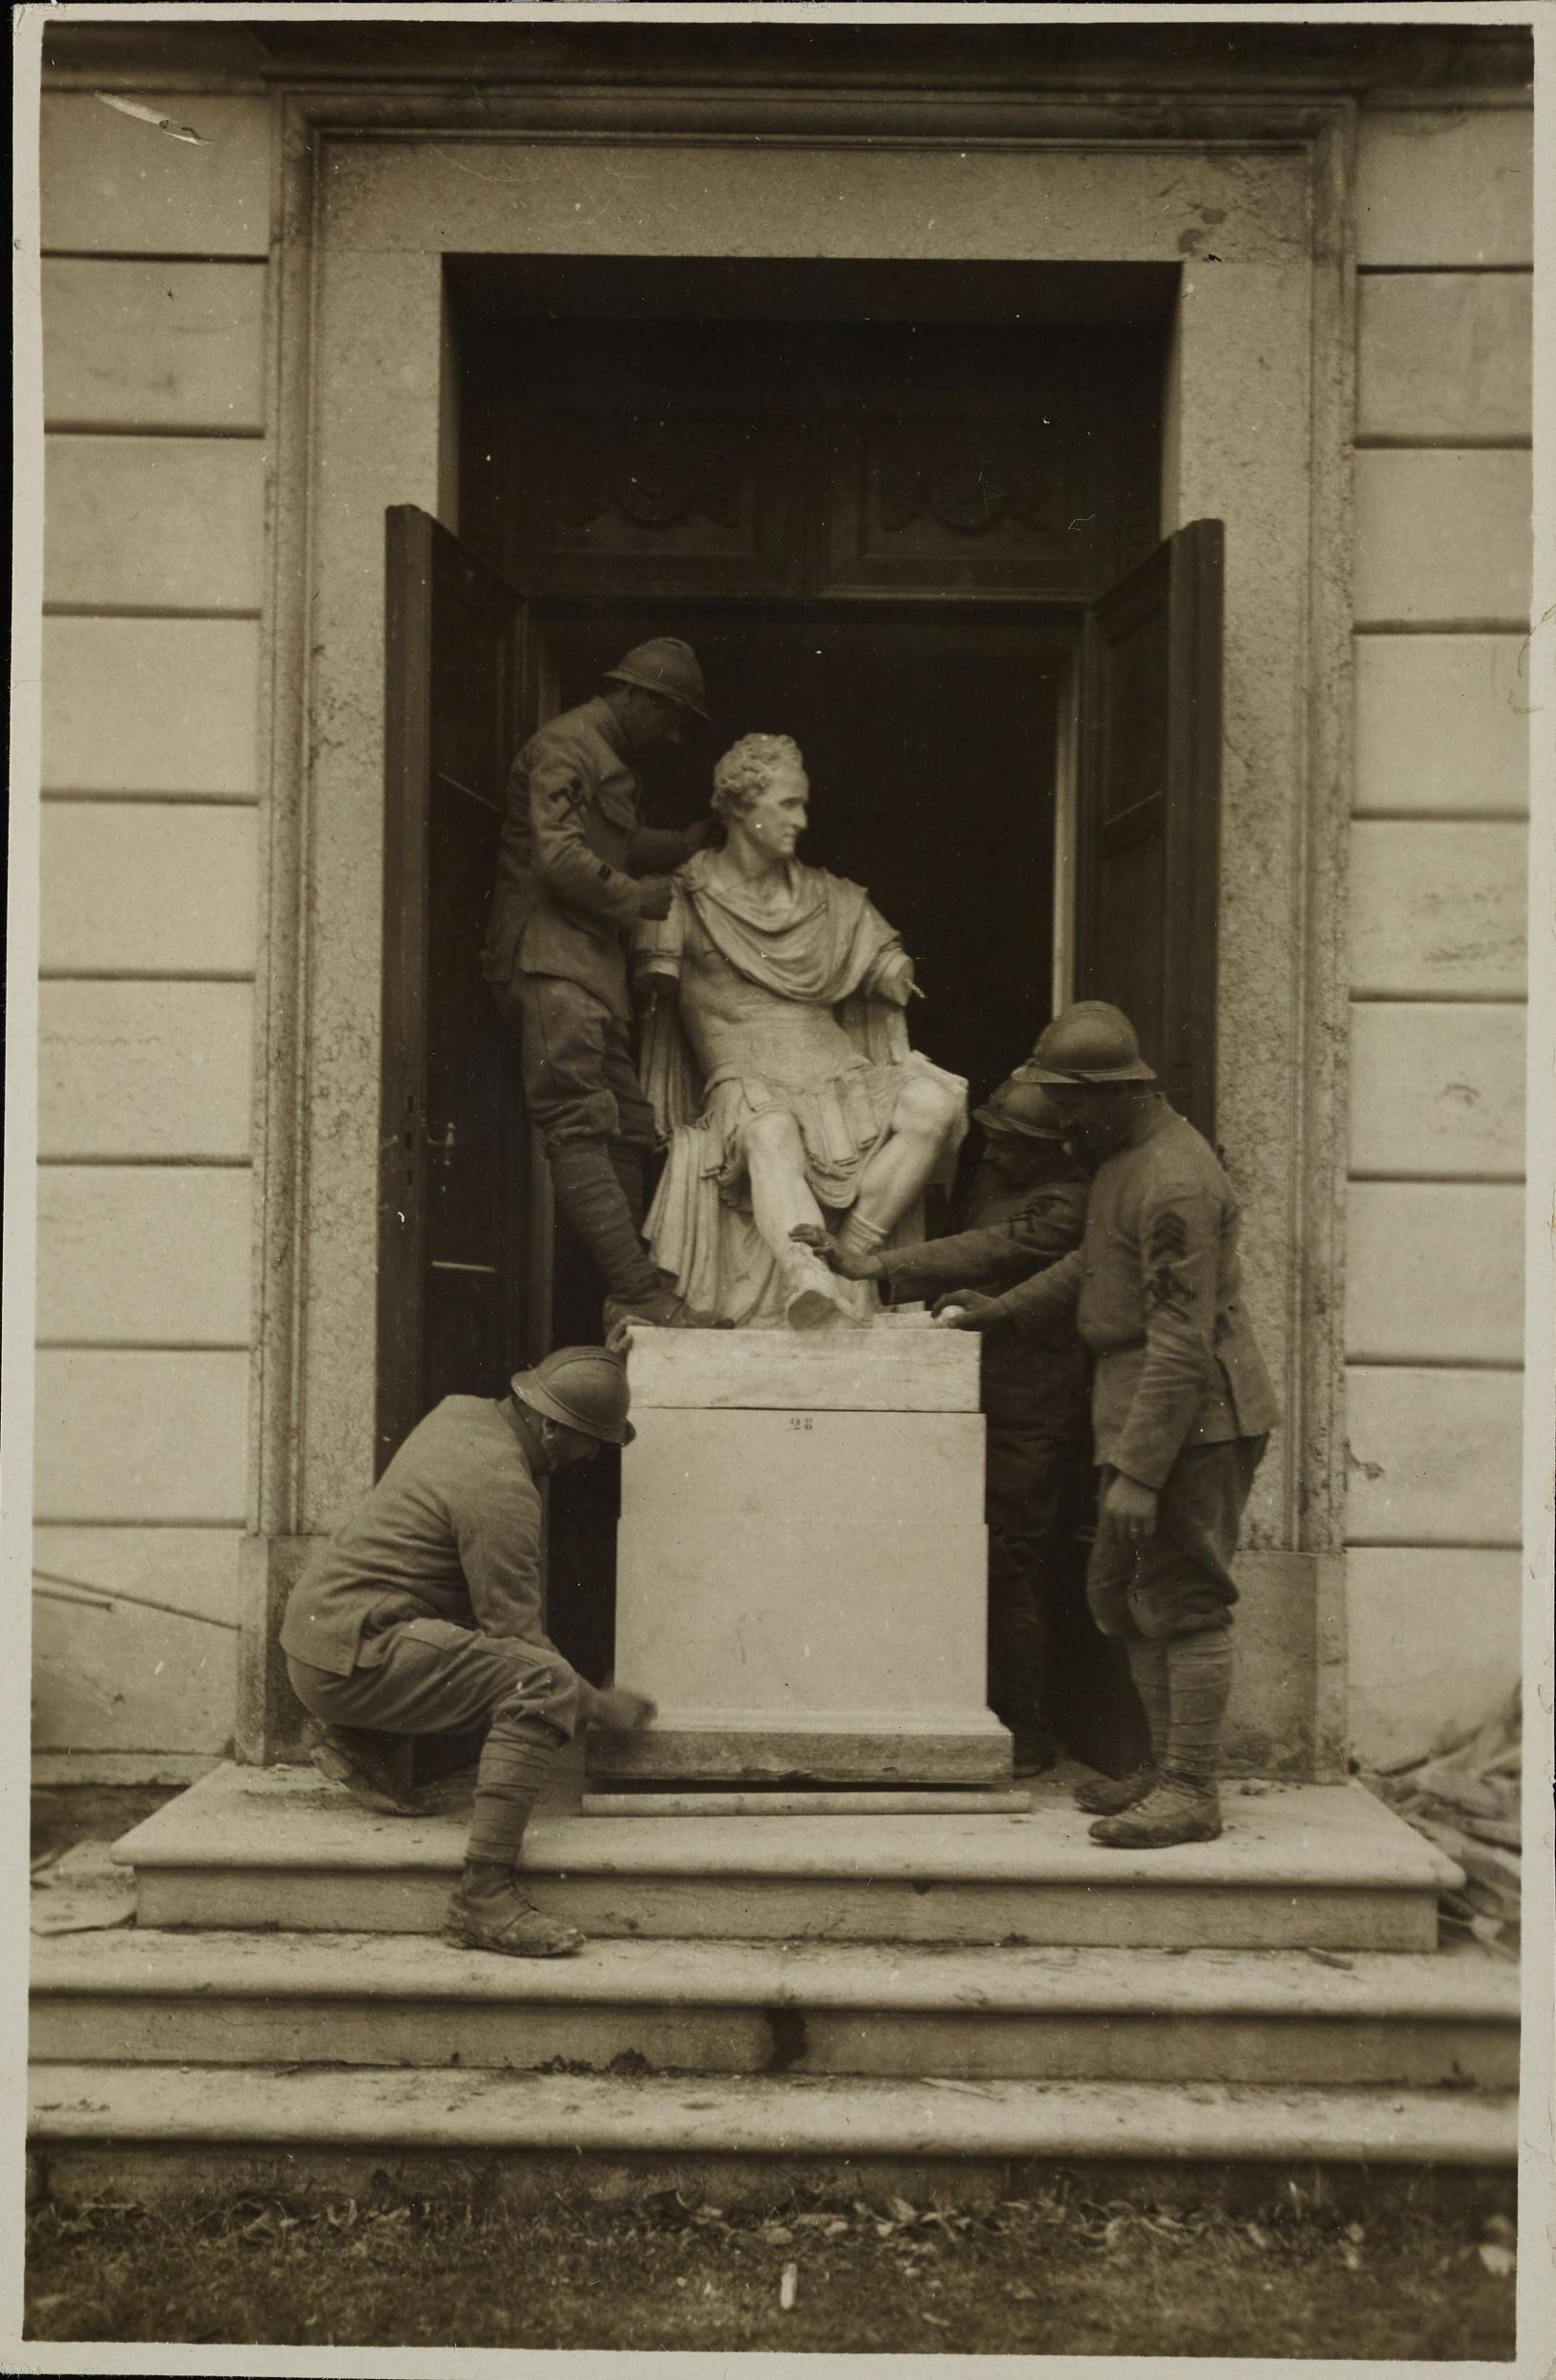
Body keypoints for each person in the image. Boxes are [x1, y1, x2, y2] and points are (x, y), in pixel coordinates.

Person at [934, 1002, 1281, 1849]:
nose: (1060, 1123)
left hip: (1193, 1417)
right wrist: (1003, 1310)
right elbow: (1094, 1263)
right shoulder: (1127, 1158)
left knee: (1184, 1596)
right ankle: (1163, 1770)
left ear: (1116, 1094)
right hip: (1142, 1406)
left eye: (1069, 1104)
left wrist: (1140, 1472)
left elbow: (1182, 1343)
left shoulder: (1175, 1181)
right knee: (1123, 1592)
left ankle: (1191, 1787)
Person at [281, 1345, 655, 1956]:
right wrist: (599, 1704)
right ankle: (482, 1898)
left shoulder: (461, 1414)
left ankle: (358, 1739)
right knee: (541, 1682)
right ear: (548, 1428)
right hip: (358, 1657)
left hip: (325, 1641)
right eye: (588, 1442)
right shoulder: (502, 1488)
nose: (589, 1457)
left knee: (476, 1638)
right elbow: (517, 1637)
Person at [633, 732, 967, 1327]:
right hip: (747, 1081)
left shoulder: (830, 899)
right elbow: (648, 988)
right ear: (741, 806)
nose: (802, 821)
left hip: (839, 1076)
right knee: (771, 1133)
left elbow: (886, 967)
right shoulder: (682, 895)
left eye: (803, 805)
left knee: (935, 1102)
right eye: (788, 804)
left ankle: (852, 1256)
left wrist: (896, 972)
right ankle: (805, 1275)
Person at [818, 1071, 1092, 1773]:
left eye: (1009, 1144)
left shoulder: (1068, 1203)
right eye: (990, 1138)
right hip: (971, 1396)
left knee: (1013, 1561)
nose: (991, 1153)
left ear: (1050, 1148)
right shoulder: (1002, 1178)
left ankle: (1029, 1728)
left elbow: (987, 1250)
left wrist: (872, 1265)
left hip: (1030, 1412)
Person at [483, 639, 717, 1329]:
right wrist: (635, 898)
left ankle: (632, 1287)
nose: (672, 737)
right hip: (552, 963)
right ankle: (638, 1292)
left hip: (588, 971)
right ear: (635, 695)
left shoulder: (600, 754)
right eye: (670, 718)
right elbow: (559, 858)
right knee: (580, 1121)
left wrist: (683, 845)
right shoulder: (565, 745)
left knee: (628, 1125)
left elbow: (613, 842)